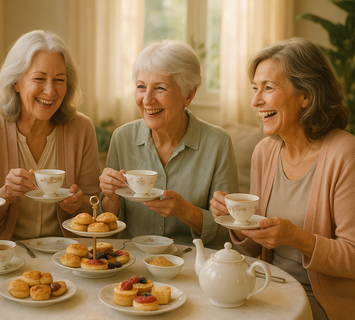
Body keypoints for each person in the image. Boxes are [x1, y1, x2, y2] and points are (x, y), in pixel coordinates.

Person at [210, 37, 355, 320]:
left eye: (268, 88)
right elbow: (258, 246)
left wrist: (298, 238)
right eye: (255, 89)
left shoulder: (345, 154)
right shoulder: (265, 152)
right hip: (265, 286)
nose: (255, 101)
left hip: (319, 301)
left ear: (306, 95)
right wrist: (238, 223)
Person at [0, 30, 100, 246]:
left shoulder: (81, 129)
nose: (50, 91)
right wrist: (4, 195)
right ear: (16, 83)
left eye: (59, 80)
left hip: (64, 255)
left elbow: (94, 208)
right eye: (39, 78)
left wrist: (79, 205)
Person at [99, 40, 239, 247]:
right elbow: (109, 223)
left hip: (192, 263)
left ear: (189, 93)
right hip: (133, 261)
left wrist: (185, 211)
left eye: (160, 88)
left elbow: (227, 232)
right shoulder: (122, 138)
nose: (147, 100)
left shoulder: (218, 143)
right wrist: (110, 196)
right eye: (141, 87)